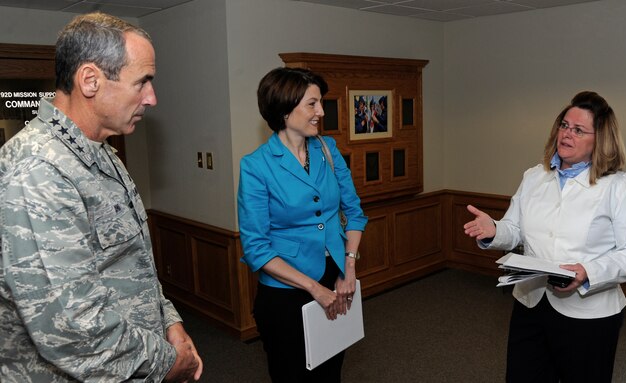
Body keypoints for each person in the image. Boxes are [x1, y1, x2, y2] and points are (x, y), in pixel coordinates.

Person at [0, 12, 203, 382]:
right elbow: (73, 327)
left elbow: (132, 260)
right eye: (142, 82)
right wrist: (168, 362)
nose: (152, 98)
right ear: (90, 80)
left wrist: (170, 323)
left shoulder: (102, 150)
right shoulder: (38, 170)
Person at [463, 91, 626, 382]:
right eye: (564, 125)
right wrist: (494, 230)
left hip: (589, 314)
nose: (567, 134)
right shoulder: (534, 177)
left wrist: (587, 272)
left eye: (578, 130)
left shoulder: (622, 188)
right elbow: (514, 230)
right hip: (531, 303)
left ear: (600, 139)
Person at [238, 67, 367, 382]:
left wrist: (348, 270)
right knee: (292, 373)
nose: (320, 112)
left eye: (320, 103)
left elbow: (354, 211)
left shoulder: (328, 150)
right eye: (312, 104)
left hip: (335, 278)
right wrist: (314, 289)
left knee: (331, 368)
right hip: (286, 292)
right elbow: (256, 249)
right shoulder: (256, 166)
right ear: (285, 109)